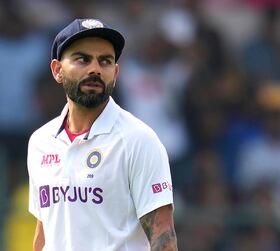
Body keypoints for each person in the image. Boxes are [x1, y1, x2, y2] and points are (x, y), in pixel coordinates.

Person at [27, 18, 177, 251]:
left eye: (105, 61)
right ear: (57, 70)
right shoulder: (40, 142)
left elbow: (164, 238)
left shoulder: (138, 140)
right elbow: (45, 230)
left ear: (115, 73)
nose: (95, 68)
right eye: (82, 59)